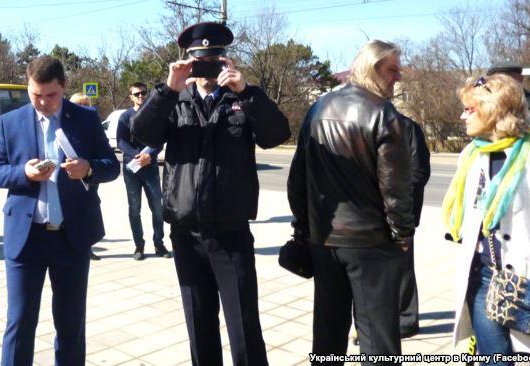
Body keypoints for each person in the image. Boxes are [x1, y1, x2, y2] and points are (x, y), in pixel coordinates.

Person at [131, 22, 290, 366]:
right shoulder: (174, 100)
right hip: (186, 235)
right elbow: (140, 131)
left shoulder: (241, 99)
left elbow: (277, 134)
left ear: (225, 60)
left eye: (214, 58)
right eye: (198, 59)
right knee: (200, 329)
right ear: (186, 60)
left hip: (231, 233)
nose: (206, 66)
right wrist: (167, 90)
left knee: (244, 329)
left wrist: (246, 90)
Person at [0, 56, 120, 366]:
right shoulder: (11, 121)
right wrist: (24, 173)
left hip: (70, 238)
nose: (43, 102)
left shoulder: (85, 119)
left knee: (71, 325)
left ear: (63, 87)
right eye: (36, 95)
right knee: (19, 324)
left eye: (51, 95)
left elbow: (111, 166)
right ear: (27, 87)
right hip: (26, 237)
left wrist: (88, 169)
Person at [287, 40, 414, 363]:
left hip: (325, 240)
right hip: (372, 243)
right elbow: (396, 190)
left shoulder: (318, 107)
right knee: (378, 339)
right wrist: (402, 235)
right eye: (392, 70)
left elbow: (297, 179)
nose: (397, 77)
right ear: (372, 68)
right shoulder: (384, 114)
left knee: (328, 333)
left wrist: (303, 229)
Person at [444, 74, 530, 361]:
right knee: (494, 357)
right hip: (483, 278)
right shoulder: (471, 155)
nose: (462, 116)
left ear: (494, 109)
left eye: (470, 109)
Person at [117, 82, 169, 261]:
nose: (141, 96)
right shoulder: (125, 116)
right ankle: (139, 245)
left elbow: (160, 140)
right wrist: (136, 155)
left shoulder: (154, 115)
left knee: (157, 208)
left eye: (143, 93)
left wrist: (150, 155)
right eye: (136, 94)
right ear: (130, 96)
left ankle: (159, 243)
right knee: (134, 209)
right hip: (132, 169)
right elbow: (121, 142)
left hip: (150, 168)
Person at [399, 112, 431, 338]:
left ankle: (406, 320)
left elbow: (419, 171)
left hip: (401, 211)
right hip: (366, 214)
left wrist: (396, 199)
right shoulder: (359, 123)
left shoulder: (408, 127)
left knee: (402, 268)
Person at [69, 92, 103, 261]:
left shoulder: (92, 127)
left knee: (89, 209)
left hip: (89, 177)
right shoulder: (65, 126)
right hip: (70, 178)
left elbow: (105, 158)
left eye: (86, 105)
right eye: (78, 105)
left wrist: (91, 168)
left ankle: (88, 246)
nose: (82, 109)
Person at [487, 62, 530, 136]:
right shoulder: (486, 109)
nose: (503, 84)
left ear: (521, 79)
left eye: (508, 78)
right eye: (497, 80)